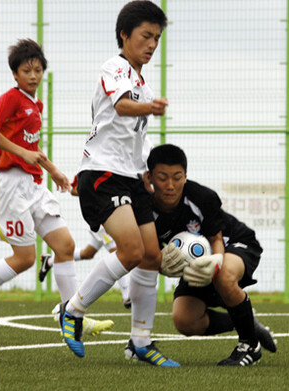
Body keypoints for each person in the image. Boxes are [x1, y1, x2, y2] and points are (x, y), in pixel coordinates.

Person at [57, 1, 183, 366]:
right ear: (125, 35)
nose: (152, 44)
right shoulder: (115, 68)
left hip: (129, 177)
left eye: (157, 38)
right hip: (103, 175)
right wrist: (151, 108)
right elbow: (123, 106)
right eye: (146, 36)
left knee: (151, 257)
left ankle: (140, 341)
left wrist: (147, 174)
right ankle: (74, 310)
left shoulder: (141, 83)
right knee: (130, 250)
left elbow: (133, 135)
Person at [0, 38, 114, 337]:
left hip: (34, 184)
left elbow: (33, 150)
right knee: (24, 259)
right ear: (15, 74)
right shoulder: (11, 99)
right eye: (26, 70)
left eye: (38, 69)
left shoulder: (36, 104)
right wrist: (21, 153)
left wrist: (57, 174)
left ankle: (70, 315)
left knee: (65, 247)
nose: (33, 75)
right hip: (10, 185)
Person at [143, 143, 277, 366]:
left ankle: (249, 346)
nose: (170, 185)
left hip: (235, 244)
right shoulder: (143, 209)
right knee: (185, 320)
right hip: (198, 262)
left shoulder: (201, 197)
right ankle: (245, 321)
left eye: (177, 177)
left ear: (185, 176)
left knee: (223, 274)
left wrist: (216, 261)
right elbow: (149, 255)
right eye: (162, 177)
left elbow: (216, 240)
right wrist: (162, 265)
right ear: (149, 178)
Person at [38, 176, 130, 308]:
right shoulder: (88, 169)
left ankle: (49, 261)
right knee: (118, 253)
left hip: (112, 216)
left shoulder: (116, 165)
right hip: (101, 219)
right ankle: (127, 296)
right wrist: (92, 193)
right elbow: (73, 189)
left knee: (88, 253)